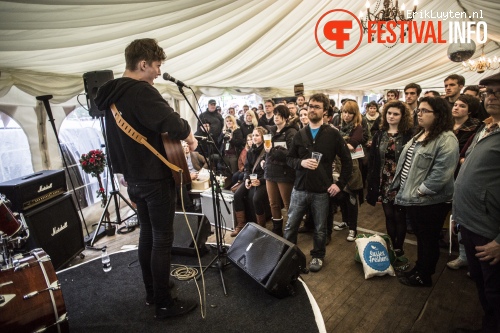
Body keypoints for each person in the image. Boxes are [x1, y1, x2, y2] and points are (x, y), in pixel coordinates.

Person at [94, 38, 197, 319]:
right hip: (154, 178)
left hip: (134, 180)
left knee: (148, 236)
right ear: (143, 64)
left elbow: (113, 141)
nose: (158, 73)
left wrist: (124, 172)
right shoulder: (141, 92)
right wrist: (190, 136)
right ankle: (164, 302)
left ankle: (153, 291)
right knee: (162, 239)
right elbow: (173, 124)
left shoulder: (110, 95)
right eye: (156, 66)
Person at [391, 97, 459, 287]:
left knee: (428, 239)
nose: (418, 114)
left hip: (430, 201)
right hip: (415, 198)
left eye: (424, 111)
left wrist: (422, 191)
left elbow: (442, 173)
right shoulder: (423, 133)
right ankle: (420, 269)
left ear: (438, 115)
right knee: (422, 238)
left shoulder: (446, 138)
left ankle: (424, 275)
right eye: (418, 110)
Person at [452, 72, 500, 333]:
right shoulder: (487, 127)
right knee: (483, 288)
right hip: (471, 224)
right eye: (488, 92)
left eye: (498, 92)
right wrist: (458, 216)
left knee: (495, 293)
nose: (491, 97)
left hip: (490, 231)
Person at [284, 93, 352, 272]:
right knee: (291, 225)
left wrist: (339, 184)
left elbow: (347, 161)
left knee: (321, 228)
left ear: (325, 111)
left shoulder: (333, 134)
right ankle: (291, 255)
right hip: (300, 188)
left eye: (316, 107)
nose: (312, 109)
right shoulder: (300, 134)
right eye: (310, 106)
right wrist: (301, 163)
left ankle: (318, 256)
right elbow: (289, 158)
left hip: (322, 190)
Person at [366, 101, 413, 263]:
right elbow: (373, 160)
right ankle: (392, 246)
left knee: (399, 215)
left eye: (396, 114)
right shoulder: (380, 134)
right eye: (389, 113)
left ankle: (399, 247)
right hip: (384, 180)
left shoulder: (408, 134)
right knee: (388, 215)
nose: (391, 116)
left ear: (403, 116)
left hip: (402, 181)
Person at [332, 100, 364, 241]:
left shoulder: (358, 128)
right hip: (339, 166)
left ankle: (353, 228)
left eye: (350, 113)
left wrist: (337, 140)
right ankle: (345, 221)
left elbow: (351, 145)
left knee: (351, 198)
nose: (346, 115)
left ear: (354, 114)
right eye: (344, 112)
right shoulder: (339, 127)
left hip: (352, 167)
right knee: (342, 197)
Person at [263, 105, 297, 236]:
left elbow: (290, 154)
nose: (276, 117)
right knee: (273, 203)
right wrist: (263, 158)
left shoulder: (291, 132)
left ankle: (291, 231)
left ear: (286, 117)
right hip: (270, 171)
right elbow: (266, 150)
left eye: (279, 114)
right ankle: (277, 230)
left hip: (285, 173)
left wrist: (271, 151)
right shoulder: (270, 131)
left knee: (288, 204)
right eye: (275, 114)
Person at [230, 127, 269, 237]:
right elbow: (247, 168)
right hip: (252, 178)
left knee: (256, 199)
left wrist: (260, 181)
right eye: (253, 135)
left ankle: (261, 228)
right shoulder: (251, 150)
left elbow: (269, 170)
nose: (254, 137)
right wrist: (246, 179)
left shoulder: (267, 150)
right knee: (237, 195)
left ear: (263, 137)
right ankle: (241, 225)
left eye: (257, 135)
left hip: (263, 180)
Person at [219, 115, 244, 180]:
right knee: (226, 172)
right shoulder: (224, 130)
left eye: (230, 121)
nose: (229, 122)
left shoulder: (237, 131)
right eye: (227, 121)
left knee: (234, 172)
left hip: (234, 155)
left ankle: (234, 186)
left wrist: (231, 139)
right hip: (225, 155)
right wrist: (222, 134)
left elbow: (239, 143)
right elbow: (218, 141)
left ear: (233, 122)